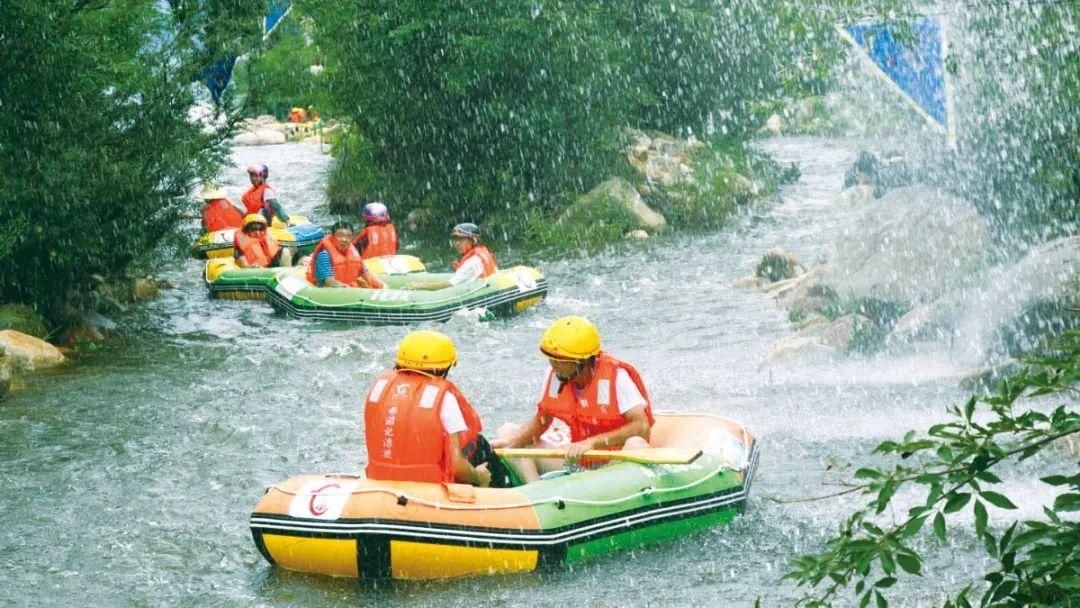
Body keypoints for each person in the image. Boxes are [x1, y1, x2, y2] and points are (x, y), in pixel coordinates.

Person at [492, 316, 653, 482]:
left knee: (636, 444)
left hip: (614, 463)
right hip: (578, 464)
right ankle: (536, 491)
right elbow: (542, 421)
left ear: (581, 361)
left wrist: (592, 443)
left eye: (560, 360)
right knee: (507, 431)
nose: (553, 364)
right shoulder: (556, 375)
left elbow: (642, 426)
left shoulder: (616, 376)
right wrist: (512, 444)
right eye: (551, 358)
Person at [364, 330, 503, 487]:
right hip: (429, 485)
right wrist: (479, 477)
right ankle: (508, 491)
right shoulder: (444, 399)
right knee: (479, 443)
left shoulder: (380, 389)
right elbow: (456, 465)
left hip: (382, 480)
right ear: (444, 369)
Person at [404, 223, 497, 290]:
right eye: (455, 239)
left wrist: (420, 286)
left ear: (473, 240)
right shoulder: (482, 252)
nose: (457, 243)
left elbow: (450, 284)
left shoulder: (472, 261)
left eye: (461, 239)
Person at [306, 222, 385, 288]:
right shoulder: (324, 255)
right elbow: (330, 283)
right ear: (332, 237)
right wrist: (351, 290)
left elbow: (366, 273)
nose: (344, 239)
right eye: (340, 236)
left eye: (348, 236)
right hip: (332, 293)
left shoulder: (354, 254)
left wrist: (382, 286)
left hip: (349, 289)